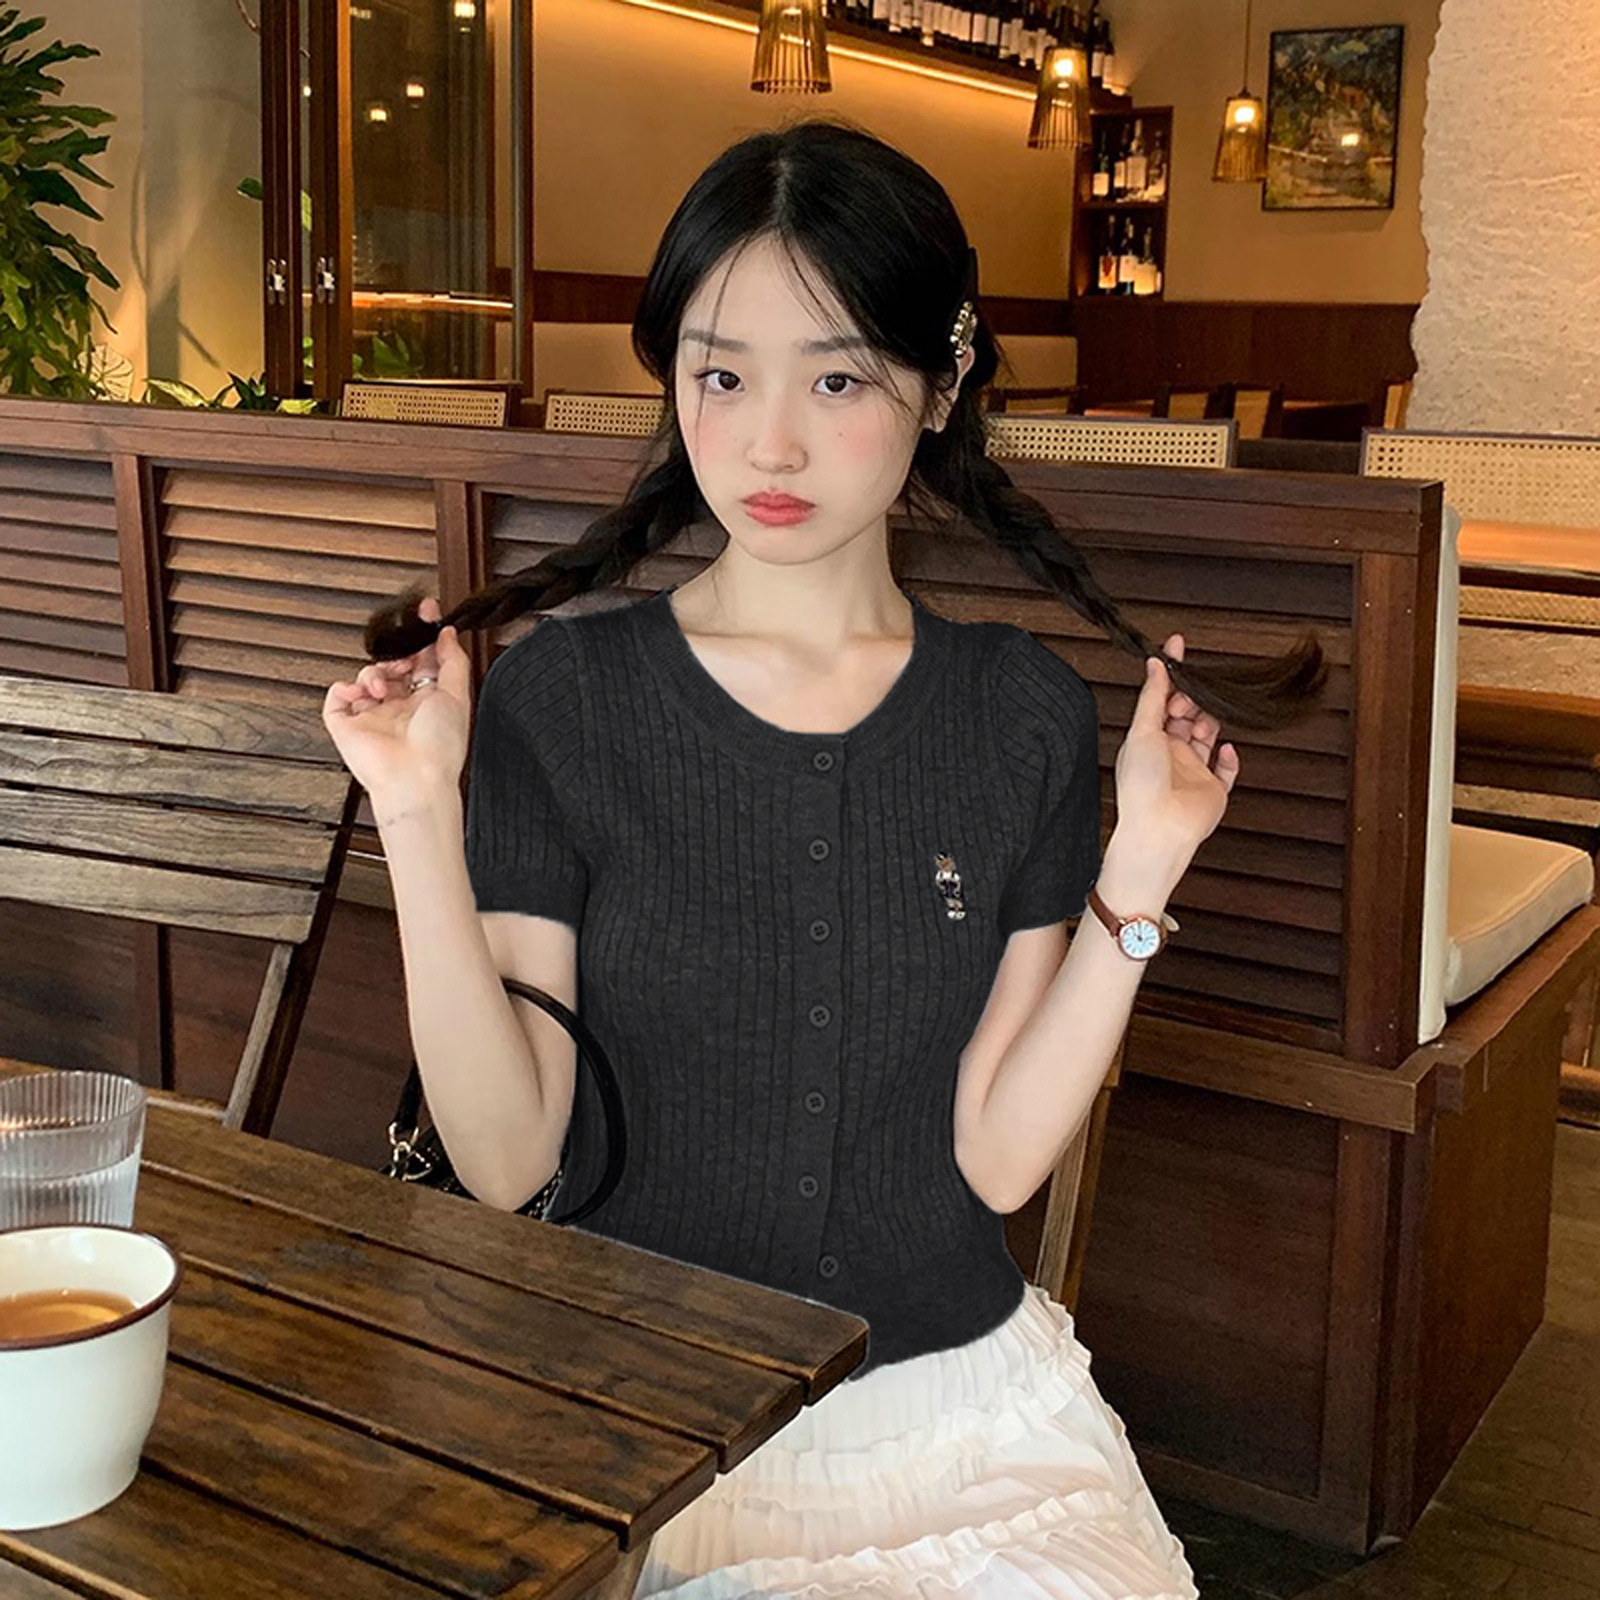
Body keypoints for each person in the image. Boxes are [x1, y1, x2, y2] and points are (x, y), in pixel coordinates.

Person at [323, 119, 1323, 1600]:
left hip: (964, 1432)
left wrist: (1146, 869)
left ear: (942, 385)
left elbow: (995, 1158)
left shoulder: (1021, 711)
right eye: (722, 376)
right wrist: (414, 811)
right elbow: (508, 1155)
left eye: (838, 378)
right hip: (640, 1424)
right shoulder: (566, 699)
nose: (769, 444)